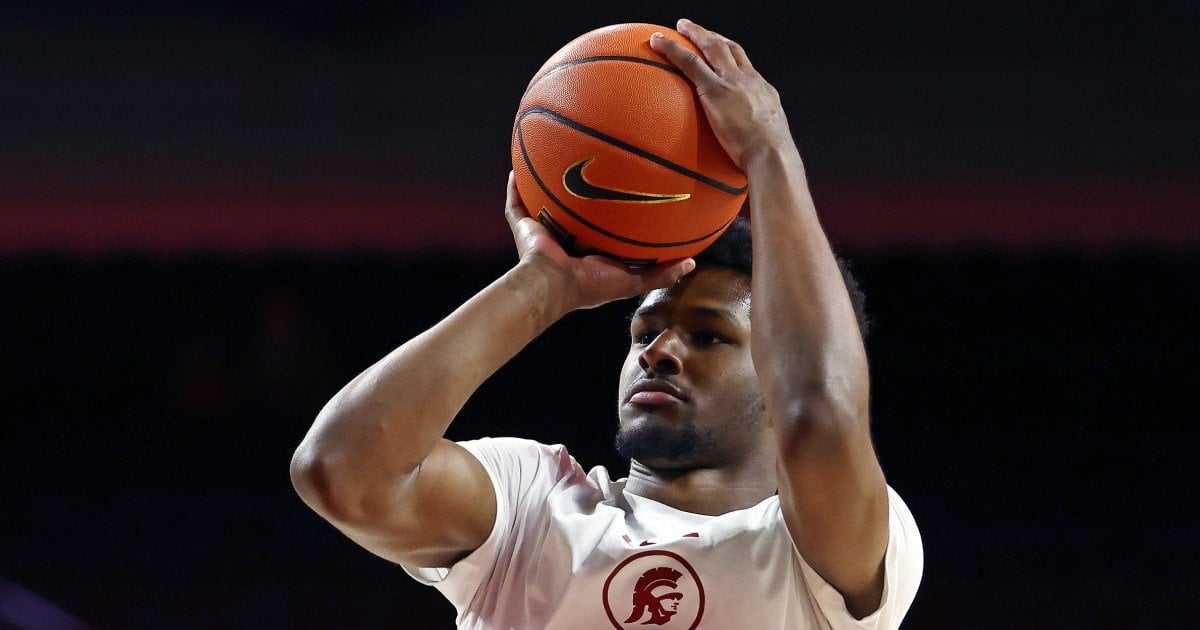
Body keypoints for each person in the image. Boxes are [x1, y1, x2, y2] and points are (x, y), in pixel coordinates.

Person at [290, 18, 922, 629]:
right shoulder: (533, 507)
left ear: (776, 369)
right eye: (644, 333)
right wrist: (543, 287)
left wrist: (769, 151)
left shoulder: (833, 547)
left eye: (709, 335)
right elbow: (339, 471)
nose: (661, 351)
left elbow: (821, 419)